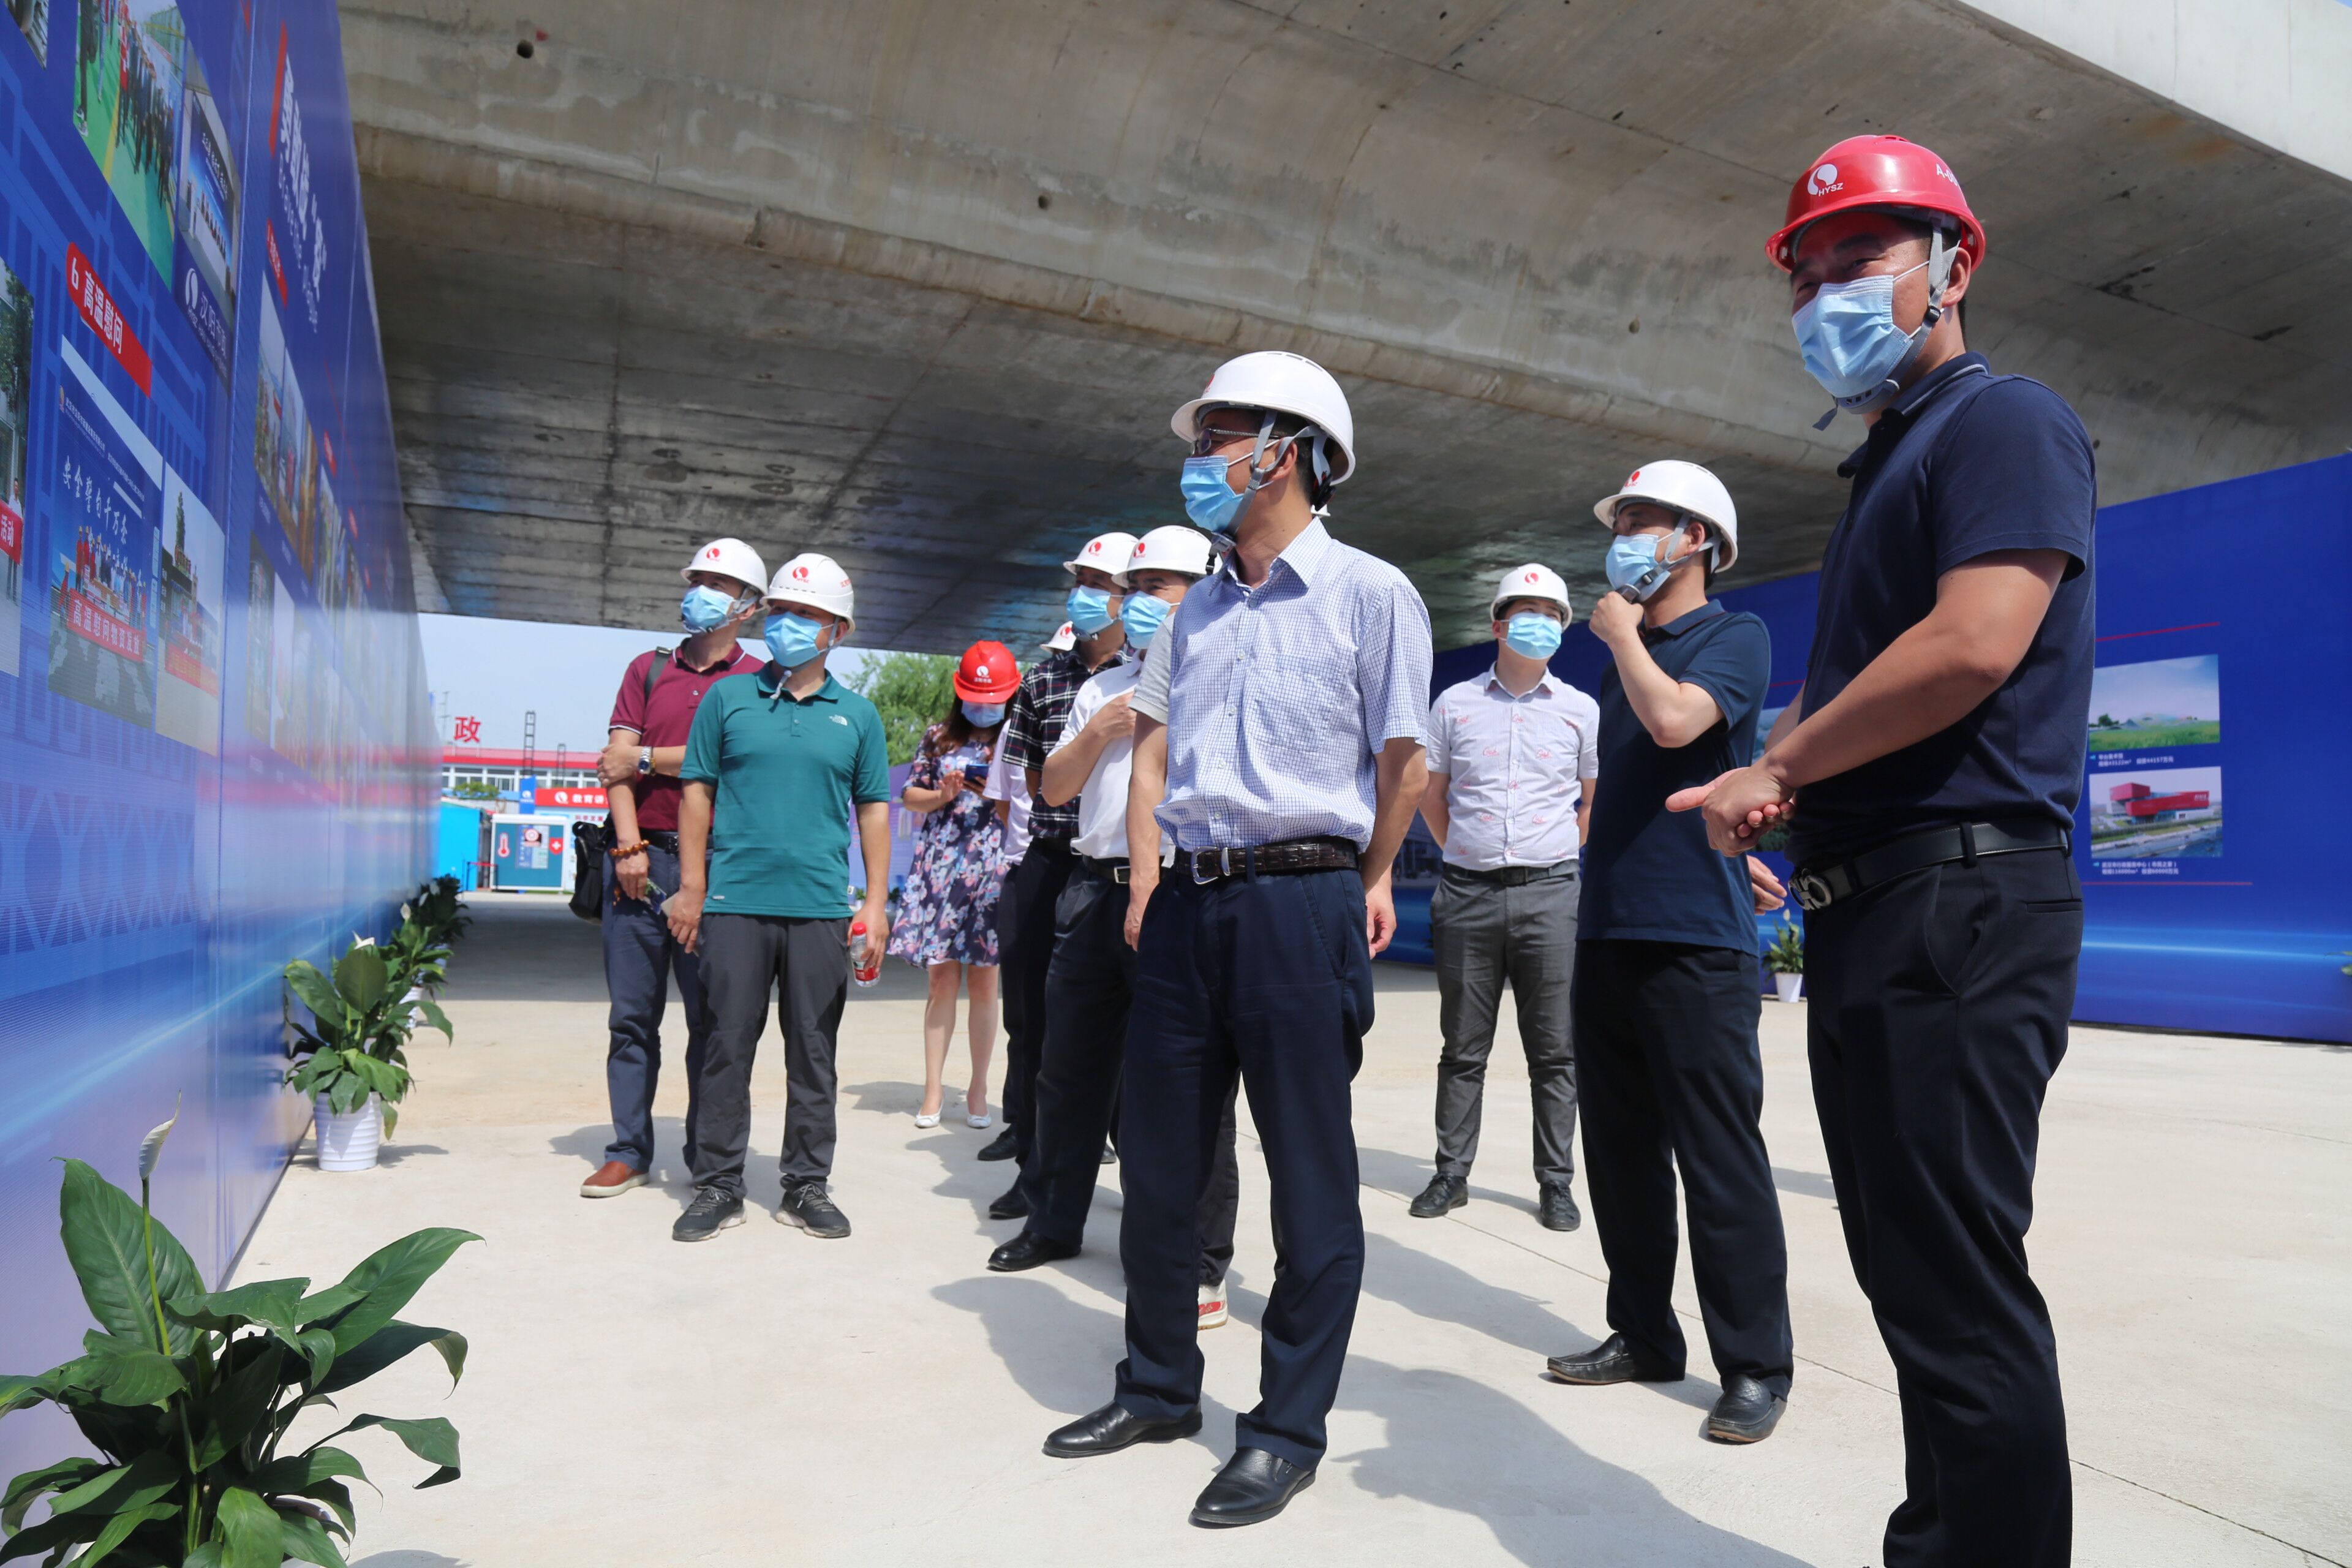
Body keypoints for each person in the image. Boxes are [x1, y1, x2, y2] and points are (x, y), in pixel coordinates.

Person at [1675, 135, 2096, 1567]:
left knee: (1956, 1289)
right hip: (1879, 911)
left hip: (1958, 903)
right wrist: (1774, 794)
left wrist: (1776, 762)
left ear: (1951, 264)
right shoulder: (1891, 461)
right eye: (1804, 272)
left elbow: (1972, 642)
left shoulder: (2001, 421)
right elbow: (1857, 681)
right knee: (1913, 1279)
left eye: (1858, 258)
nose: (1823, 295)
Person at [1042, 352, 1430, 1530]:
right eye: (1202, 433)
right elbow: (1150, 750)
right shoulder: (1196, 609)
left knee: (1310, 1176)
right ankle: (1159, 1387)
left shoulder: (1372, 593)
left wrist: (1361, 882)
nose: (1201, 455)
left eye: (1223, 434)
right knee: (1159, 1165)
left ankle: (1283, 1429)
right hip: (1187, 910)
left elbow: (1404, 761)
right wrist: (1151, 880)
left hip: (1300, 901)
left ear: (1294, 448)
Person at [1541, 460, 1796, 1448]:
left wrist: (1617, 635)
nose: (1627, 534)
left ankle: (1756, 1367)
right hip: (1607, 933)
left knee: (1718, 1160)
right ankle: (1642, 1333)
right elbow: (1639, 787)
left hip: (1696, 946)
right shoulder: (1628, 654)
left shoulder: (1731, 637)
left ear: (1695, 537)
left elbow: (1679, 720)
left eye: (1643, 519)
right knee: (1622, 1157)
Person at [986, 526, 1243, 1332]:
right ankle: (1056, 1218)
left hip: (1178, 891)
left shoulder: (1228, 680)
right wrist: (1098, 733)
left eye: (1162, 585)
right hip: (1091, 893)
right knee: (1068, 1070)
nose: (1139, 603)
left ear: (1203, 589)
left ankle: (1197, 1264)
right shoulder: (1101, 690)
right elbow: (1054, 790)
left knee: (1184, 1090)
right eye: (1134, 588)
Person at [665, 553, 892, 1244]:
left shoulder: (857, 717)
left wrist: (875, 904)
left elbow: (875, 812)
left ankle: (806, 1185)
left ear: (838, 631)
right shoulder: (728, 701)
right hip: (735, 901)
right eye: (783, 612)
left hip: (821, 906)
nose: (790, 625)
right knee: (725, 1046)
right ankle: (718, 1183)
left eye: (809, 616)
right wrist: (694, 887)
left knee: (813, 1050)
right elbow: (696, 792)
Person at [1411, 564, 1598, 1232]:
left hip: (1551, 893)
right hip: (1467, 892)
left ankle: (1556, 1181)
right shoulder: (1454, 704)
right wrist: (1466, 849)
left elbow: (1587, 806)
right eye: (1526, 610)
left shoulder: (1581, 709)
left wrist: (1553, 856)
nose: (1539, 622)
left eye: (1552, 613)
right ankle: (1450, 1173)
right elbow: (1432, 795)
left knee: (1555, 1051)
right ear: (1496, 623)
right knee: (1463, 1046)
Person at [581, 538, 767, 1199]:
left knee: (713, 1022)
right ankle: (628, 1149)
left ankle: (705, 1155)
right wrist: (628, 848)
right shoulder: (647, 669)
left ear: (749, 607)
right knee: (631, 1018)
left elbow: (730, 762)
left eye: (720, 583)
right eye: (699, 579)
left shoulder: (759, 683)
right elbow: (614, 763)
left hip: (719, 870)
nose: (704, 592)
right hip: (640, 861)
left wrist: (651, 757)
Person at [988, 535, 1135, 1217]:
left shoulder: (1163, 673)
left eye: (1104, 582)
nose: (1088, 594)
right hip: (1053, 863)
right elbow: (1030, 787)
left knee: (1140, 1042)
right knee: (1040, 1027)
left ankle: (1138, 1172)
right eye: (1083, 581)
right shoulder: (1043, 681)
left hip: (1133, 869)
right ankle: (1036, 1165)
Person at [890, 641, 1019, 1129]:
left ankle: (980, 1087)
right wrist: (941, 794)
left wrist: (996, 791)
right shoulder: (938, 737)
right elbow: (910, 797)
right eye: (976, 695)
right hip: (942, 866)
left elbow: (1034, 802)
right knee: (941, 978)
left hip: (993, 869)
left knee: (986, 981)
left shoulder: (1016, 736)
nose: (983, 707)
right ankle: (933, 1089)